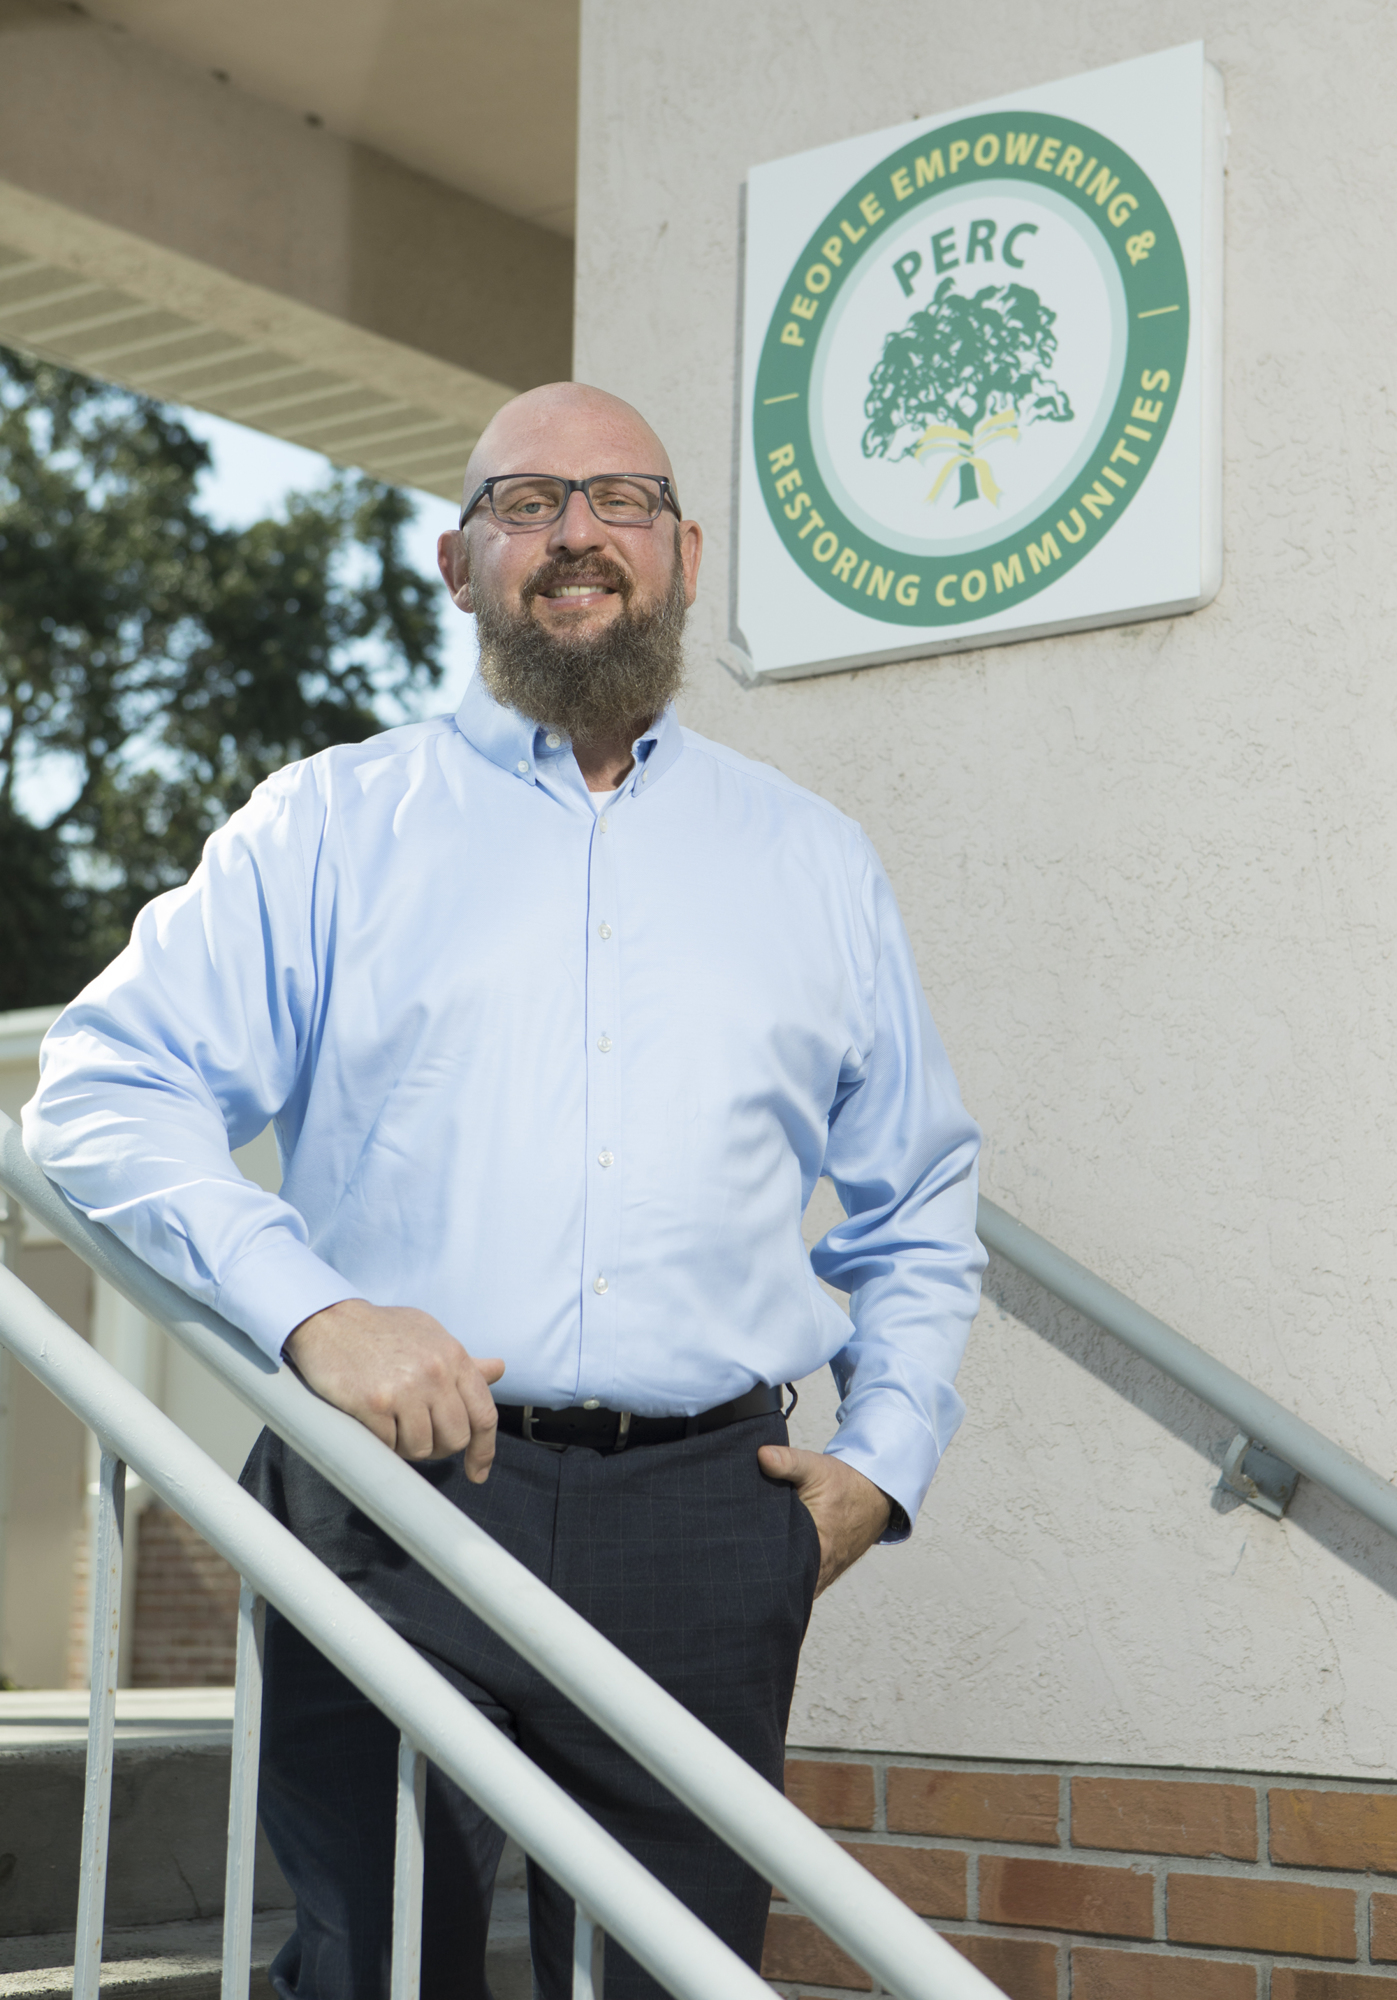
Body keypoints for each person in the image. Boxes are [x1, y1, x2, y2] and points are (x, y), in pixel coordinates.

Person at [23, 382, 985, 2000]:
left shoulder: (812, 861)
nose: (573, 537)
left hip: (706, 1516)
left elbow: (919, 1198)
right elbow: (104, 1094)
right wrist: (312, 1311)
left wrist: (881, 1460)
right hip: (391, 1500)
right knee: (375, 1965)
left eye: (617, 501)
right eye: (525, 505)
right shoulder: (325, 827)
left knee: (673, 1971)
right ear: (455, 560)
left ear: (681, 554)